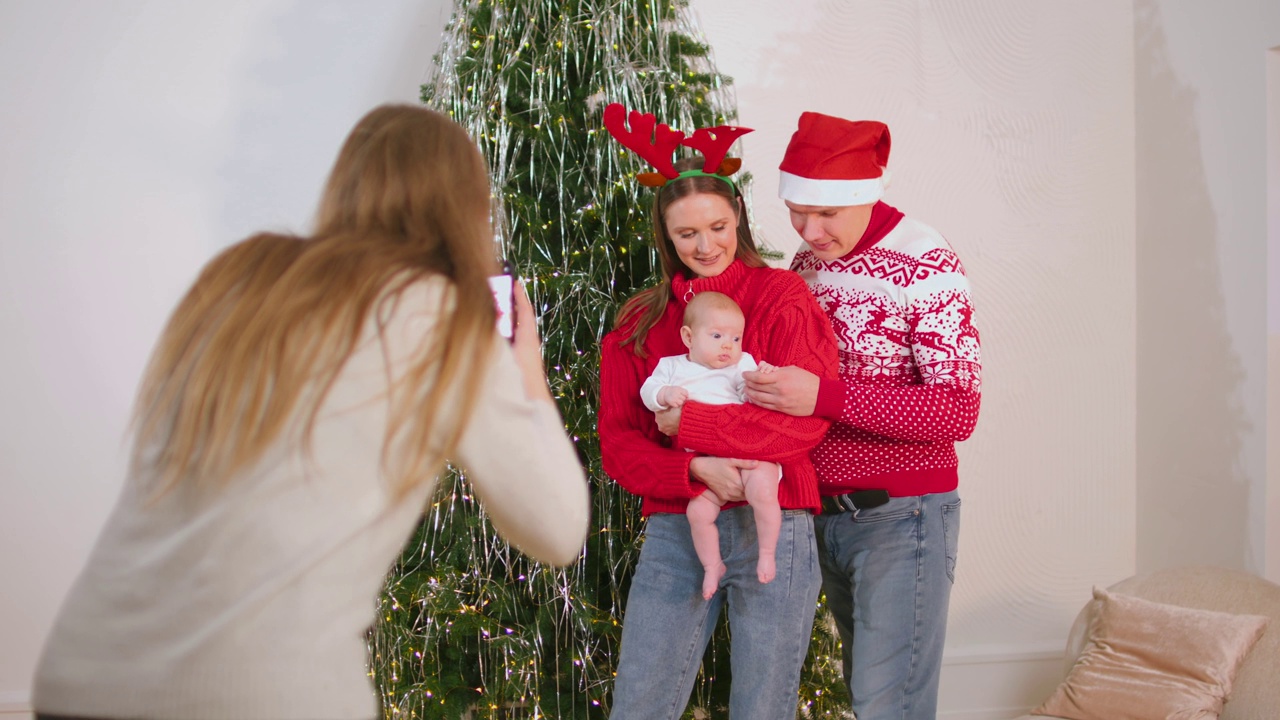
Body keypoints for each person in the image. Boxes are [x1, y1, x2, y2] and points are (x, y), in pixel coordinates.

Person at [31, 105, 590, 720]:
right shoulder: (444, 316)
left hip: (81, 673)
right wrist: (526, 367)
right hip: (255, 696)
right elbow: (559, 528)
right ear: (466, 207)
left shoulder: (239, 277)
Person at [598, 103, 839, 720]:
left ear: (739, 222)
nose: (705, 246)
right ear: (668, 239)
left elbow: (800, 424)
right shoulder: (638, 324)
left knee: (765, 705)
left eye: (718, 227)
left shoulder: (782, 296)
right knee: (642, 703)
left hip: (775, 524)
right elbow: (621, 443)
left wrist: (694, 428)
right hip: (679, 527)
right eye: (687, 234)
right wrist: (693, 470)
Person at [744, 112, 982, 719]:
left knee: (887, 706)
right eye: (797, 211)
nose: (809, 229)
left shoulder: (923, 260)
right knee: (864, 695)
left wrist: (823, 396)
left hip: (900, 518)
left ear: (863, 197)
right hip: (821, 514)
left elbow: (957, 408)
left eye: (826, 214)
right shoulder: (809, 260)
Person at [639, 291, 782, 599]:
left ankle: (767, 552)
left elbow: (750, 392)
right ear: (688, 337)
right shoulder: (672, 367)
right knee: (698, 514)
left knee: (764, 493)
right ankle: (712, 566)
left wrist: (761, 376)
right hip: (706, 464)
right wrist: (663, 395)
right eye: (716, 335)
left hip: (747, 453)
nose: (727, 346)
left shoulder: (740, 363)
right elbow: (647, 390)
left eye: (735, 337)